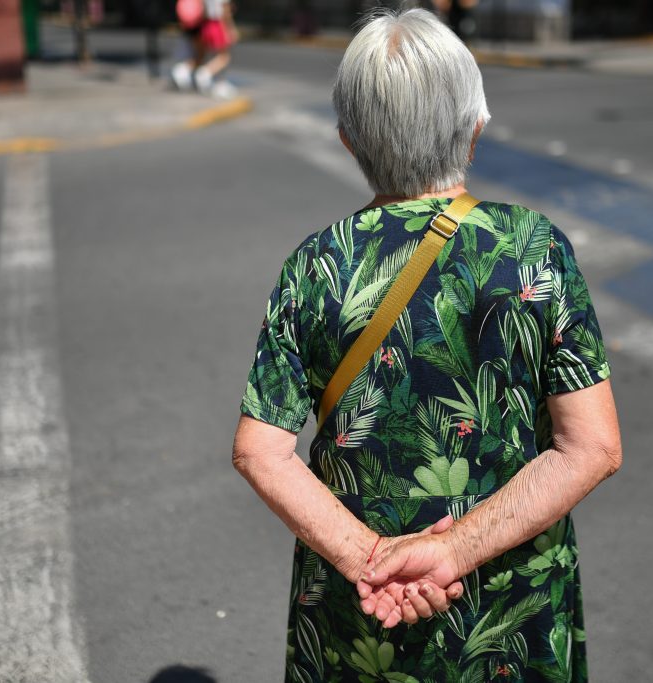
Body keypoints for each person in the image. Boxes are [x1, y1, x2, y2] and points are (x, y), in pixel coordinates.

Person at [232, 8, 621, 682]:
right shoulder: (532, 248)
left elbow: (259, 451)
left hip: (361, 616)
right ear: (475, 129)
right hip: (510, 613)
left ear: (348, 141)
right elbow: (592, 447)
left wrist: (368, 557)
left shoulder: (315, 266)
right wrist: (452, 551)